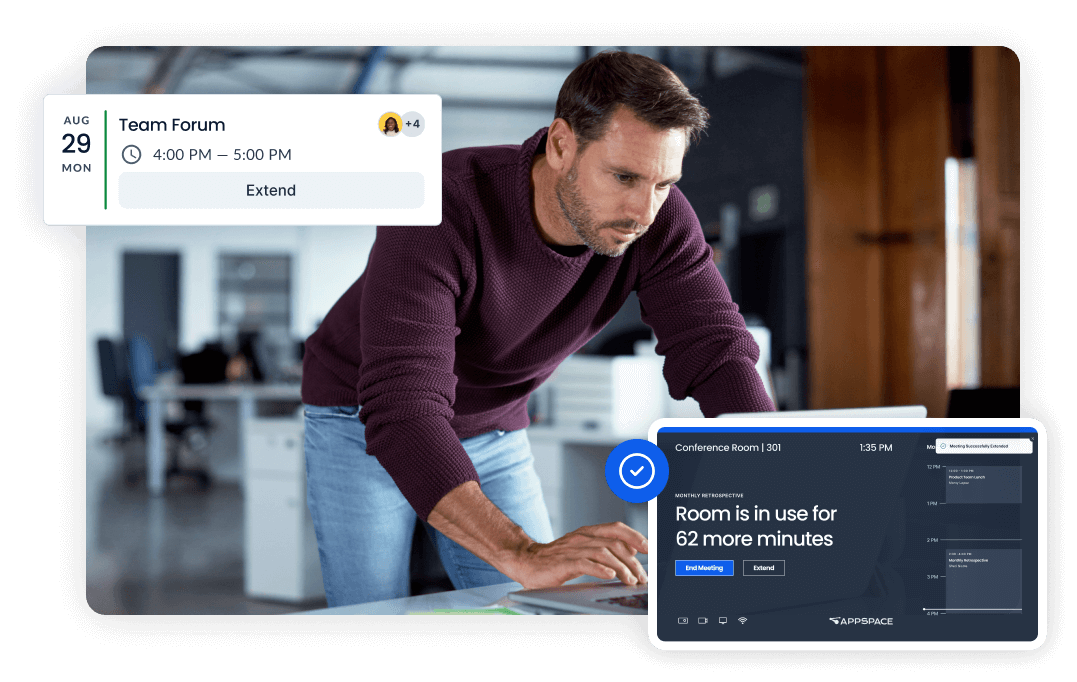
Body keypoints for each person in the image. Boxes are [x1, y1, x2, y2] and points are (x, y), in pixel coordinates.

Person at [301, 50, 775, 607]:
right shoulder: (440, 204)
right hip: (360, 416)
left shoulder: (660, 219)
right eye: (623, 176)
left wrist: (773, 474)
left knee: (540, 606)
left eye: (663, 183)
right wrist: (521, 552)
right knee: (374, 607)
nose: (642, 211)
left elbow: (714, 349)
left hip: (492, 427)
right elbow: (404, 408)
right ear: (560, 144)